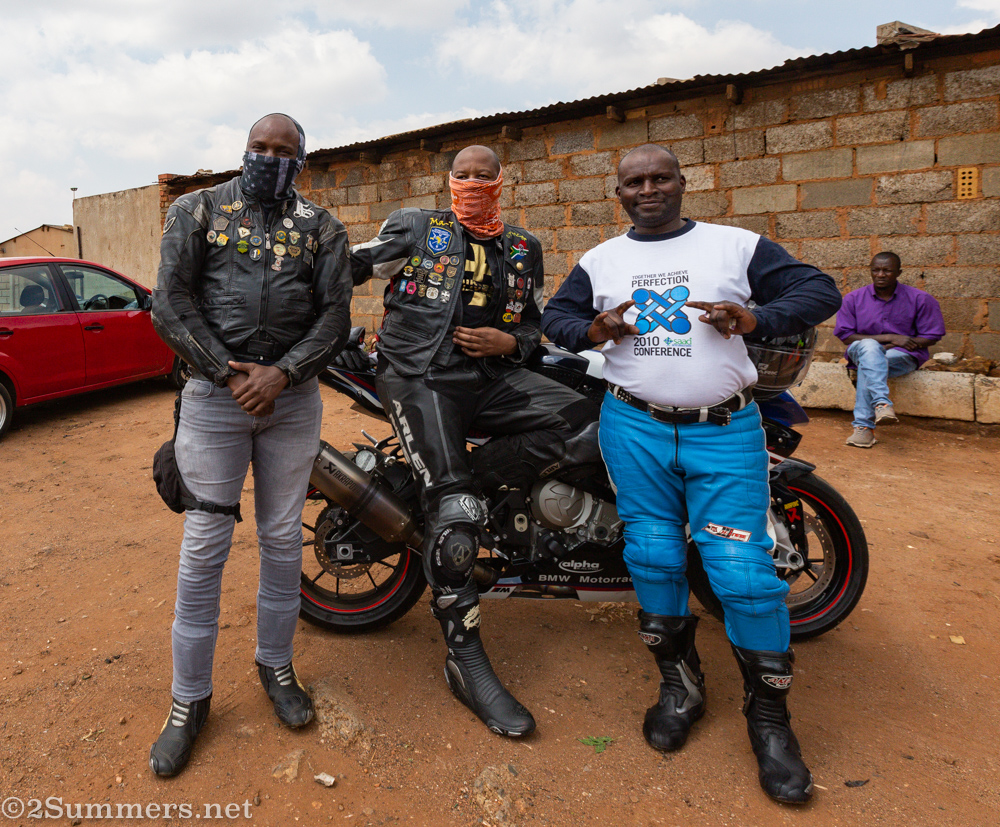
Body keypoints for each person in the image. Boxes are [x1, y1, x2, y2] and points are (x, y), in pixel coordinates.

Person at [541, 144, 841, 804]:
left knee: (744, 576)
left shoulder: (734, 247)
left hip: (726, 430)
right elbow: (553, 319)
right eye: (633, 181)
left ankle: (770, 722)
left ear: (683, 183)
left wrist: (759, 316)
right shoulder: (601, 260)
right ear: (617, 193)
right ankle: (681, 685)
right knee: (651, 554)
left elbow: (819, 290)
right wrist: (591, 328)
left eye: (659, 178)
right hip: (634, 426)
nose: (647, 189)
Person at [350, 145, 601, 738]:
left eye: (483, 176)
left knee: (592, 422)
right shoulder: (416, 226)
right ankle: (465, 658)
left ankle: (466, 482)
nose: (471, 184)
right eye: (461, 176)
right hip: (419, 375)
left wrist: (510, 345)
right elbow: (348, 266)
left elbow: (533, 324)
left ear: (500, 181)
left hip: (495, 378)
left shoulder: (523, 248)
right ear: (449, 180)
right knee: (456, 510)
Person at [149, 114, 353, 776]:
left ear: (301, 159)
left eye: (282, 151)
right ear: (244, 149)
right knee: (204, 547)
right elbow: (169, 304)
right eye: (259, 147)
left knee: (283, 539)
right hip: (215, 400)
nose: (268, 157)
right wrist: (225, 369)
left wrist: (283, 372)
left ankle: (276, 665)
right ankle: (188, 702)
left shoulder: (322, 229)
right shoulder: (199, 211)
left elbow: (335, 317)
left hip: (291, 402)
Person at [834, 252, 944, 448]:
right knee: (869, 348)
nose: (881, 274)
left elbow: (932, 336)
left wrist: (892, 346)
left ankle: (863, 429)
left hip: (902, 356)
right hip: (860, 350)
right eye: (876, 270)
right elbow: (846, 336)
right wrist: (890, 339)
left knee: (869, 365)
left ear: (899, 272)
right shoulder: (853, 299)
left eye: (887, 270)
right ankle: (882, 403)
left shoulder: (920, 299)